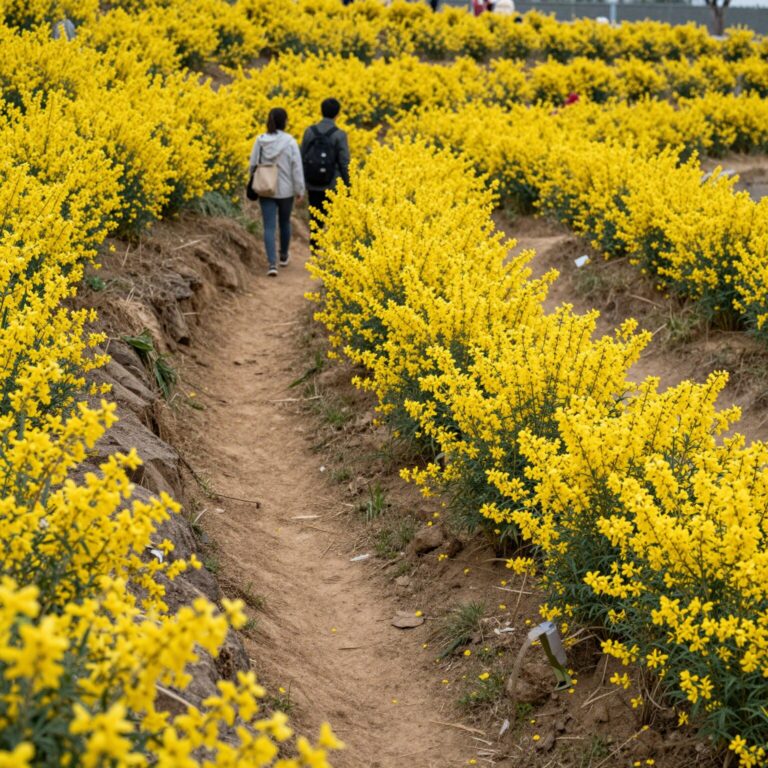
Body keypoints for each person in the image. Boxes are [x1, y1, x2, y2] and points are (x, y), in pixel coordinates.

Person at [249, 107, 305, 277]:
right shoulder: (290, 142)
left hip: (266, 188)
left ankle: (271, 264)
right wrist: (299, 189)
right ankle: (283, 256)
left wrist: (253, 180)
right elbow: (297, 168)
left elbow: (252, 164)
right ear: (285, 121)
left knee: (269, 226)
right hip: (286, 190)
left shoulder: (260, 140)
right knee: (285, 222)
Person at [301, 98, 350, 249]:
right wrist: (348, 184)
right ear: (337, 114)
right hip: (332, 183)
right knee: (332, 217)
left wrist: (301, 181)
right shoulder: (339, 134)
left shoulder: (310, 131)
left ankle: (315, 247)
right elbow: (344, 161)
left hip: (312, 181)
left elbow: (302, 156)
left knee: (315, 214)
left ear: (321, 111)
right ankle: (330, 248)